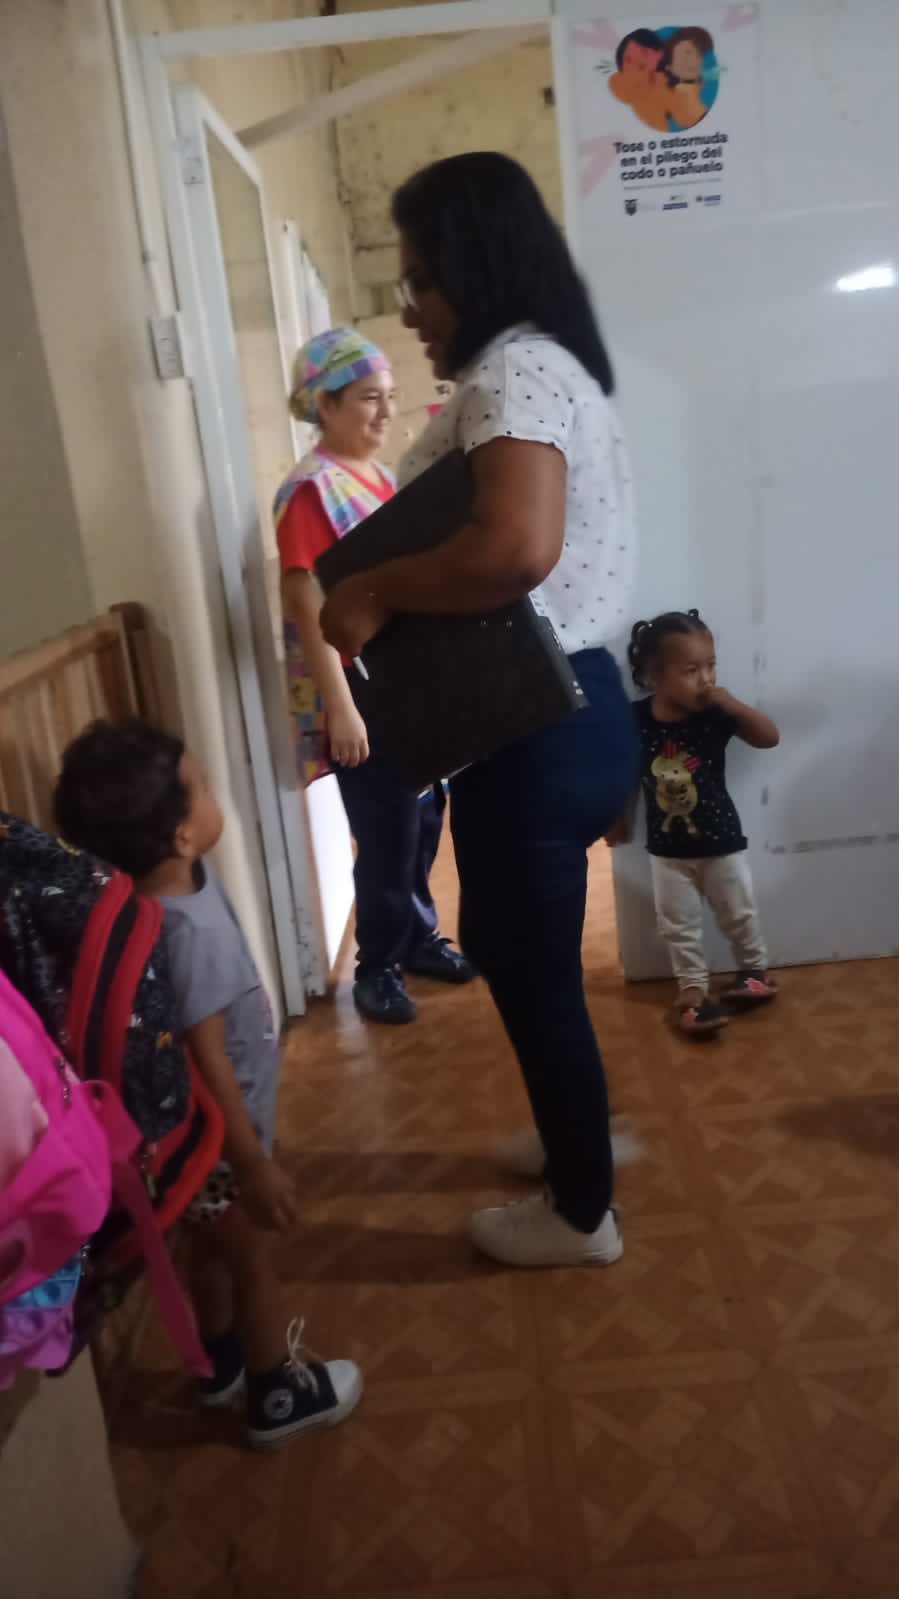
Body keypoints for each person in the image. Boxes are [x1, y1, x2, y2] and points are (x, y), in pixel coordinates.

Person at [319, 153, 639, 1270]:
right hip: (564, 715)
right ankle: (575, 1136)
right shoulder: (545, 366)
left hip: (538, 727)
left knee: (529, 966)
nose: (409, 307)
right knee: (515, 948)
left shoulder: (514, 372)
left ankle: (581, 1212)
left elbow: (511, 548)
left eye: (419, 279)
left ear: (476, 265)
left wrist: (371, 589)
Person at [54, 719, 362, 1449]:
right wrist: (250, 1160)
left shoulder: (162, 892)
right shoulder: (184, 932)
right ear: (182, 836)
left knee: (211, 1247)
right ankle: (276, 1393)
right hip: (216, 1136)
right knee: (250, 1258)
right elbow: (207, 1056)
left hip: (193, 1141)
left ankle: (220, 1361)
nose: (213, 793)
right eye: (201, 788)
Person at [275, 327, 473, 1025]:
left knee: (423, 817)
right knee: (387, 830)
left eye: (389, 396)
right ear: (325, 405)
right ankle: (377, 965)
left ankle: (417, 937)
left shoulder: (383, 479)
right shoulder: (310, 491)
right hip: (358, 686)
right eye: (368, 398)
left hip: (405, 679)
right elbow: (306, 601)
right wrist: (341, 706)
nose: (386, 411)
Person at [625, 610, 780, 1035]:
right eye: (691, 670)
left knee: (738, 913)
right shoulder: (635, 720)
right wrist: (619, 819)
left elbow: (769, 737)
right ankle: (692, 991)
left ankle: (754, 972)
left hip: (722, 842)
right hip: (666, 851)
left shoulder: (714, 714)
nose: (706, 679)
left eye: (711, 665)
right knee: (678, 926)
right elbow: (625, 776)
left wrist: (733, 704)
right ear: (655, 676)